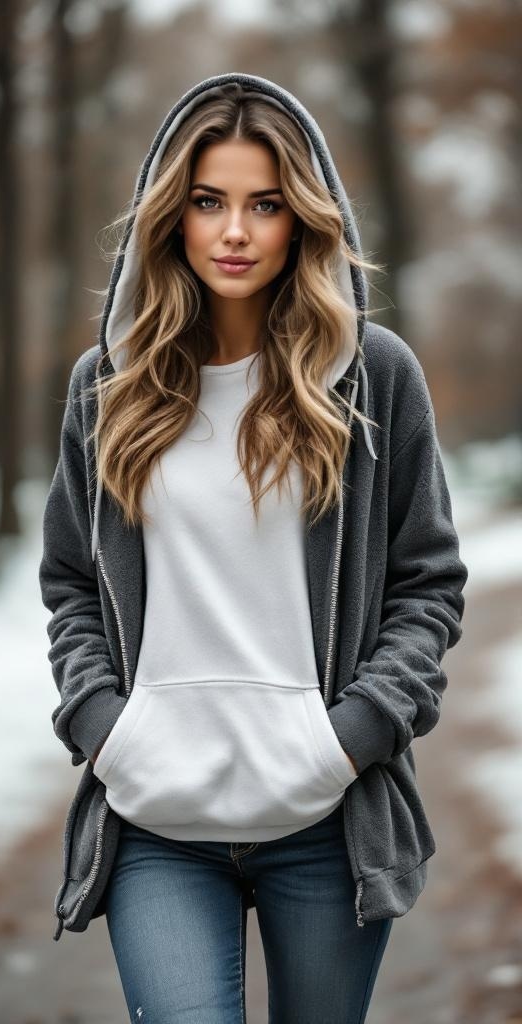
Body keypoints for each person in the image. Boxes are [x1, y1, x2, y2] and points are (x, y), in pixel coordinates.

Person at [39, 72, 468, 1023]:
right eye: (208, 202)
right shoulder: (105, 388)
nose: (234, 231)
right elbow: (71, 581)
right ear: (173, 217)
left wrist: (348, 738)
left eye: (264, 204)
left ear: (303, 219)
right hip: (154, 821)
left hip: (325, 818)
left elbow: (428, 586)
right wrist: (107, 727)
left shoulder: (373, 378)